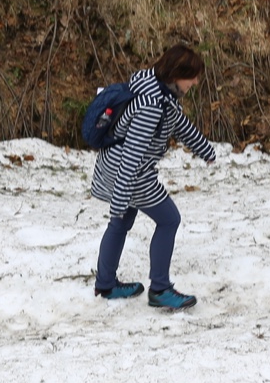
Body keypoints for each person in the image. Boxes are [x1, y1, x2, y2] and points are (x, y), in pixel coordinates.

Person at [89, 43, 217, 310]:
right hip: (130, 173)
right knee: (169, 220)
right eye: (191, 76)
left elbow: (180, 125)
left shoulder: (159, 94)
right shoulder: (151, 106)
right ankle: (160, 289)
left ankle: (106, 283)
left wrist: (205, 149)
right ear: (174, 75)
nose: (195, 81)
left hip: (115, 165)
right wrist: (121, 197)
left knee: (120, 223)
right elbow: (133, 153)